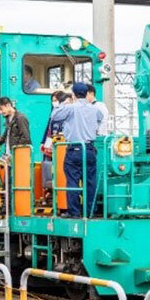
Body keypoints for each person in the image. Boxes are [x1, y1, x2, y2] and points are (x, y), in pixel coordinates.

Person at [51, 82, 103, 217]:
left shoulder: (71, 108)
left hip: (74, 150)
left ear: (73, 94)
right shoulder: (94, 109)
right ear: (86, 94)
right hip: (90, 149)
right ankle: (89, 212)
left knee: (73, 181)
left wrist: (63, 102)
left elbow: (54, 116)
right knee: (90, 182)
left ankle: (74, 212)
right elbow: (100, 118)